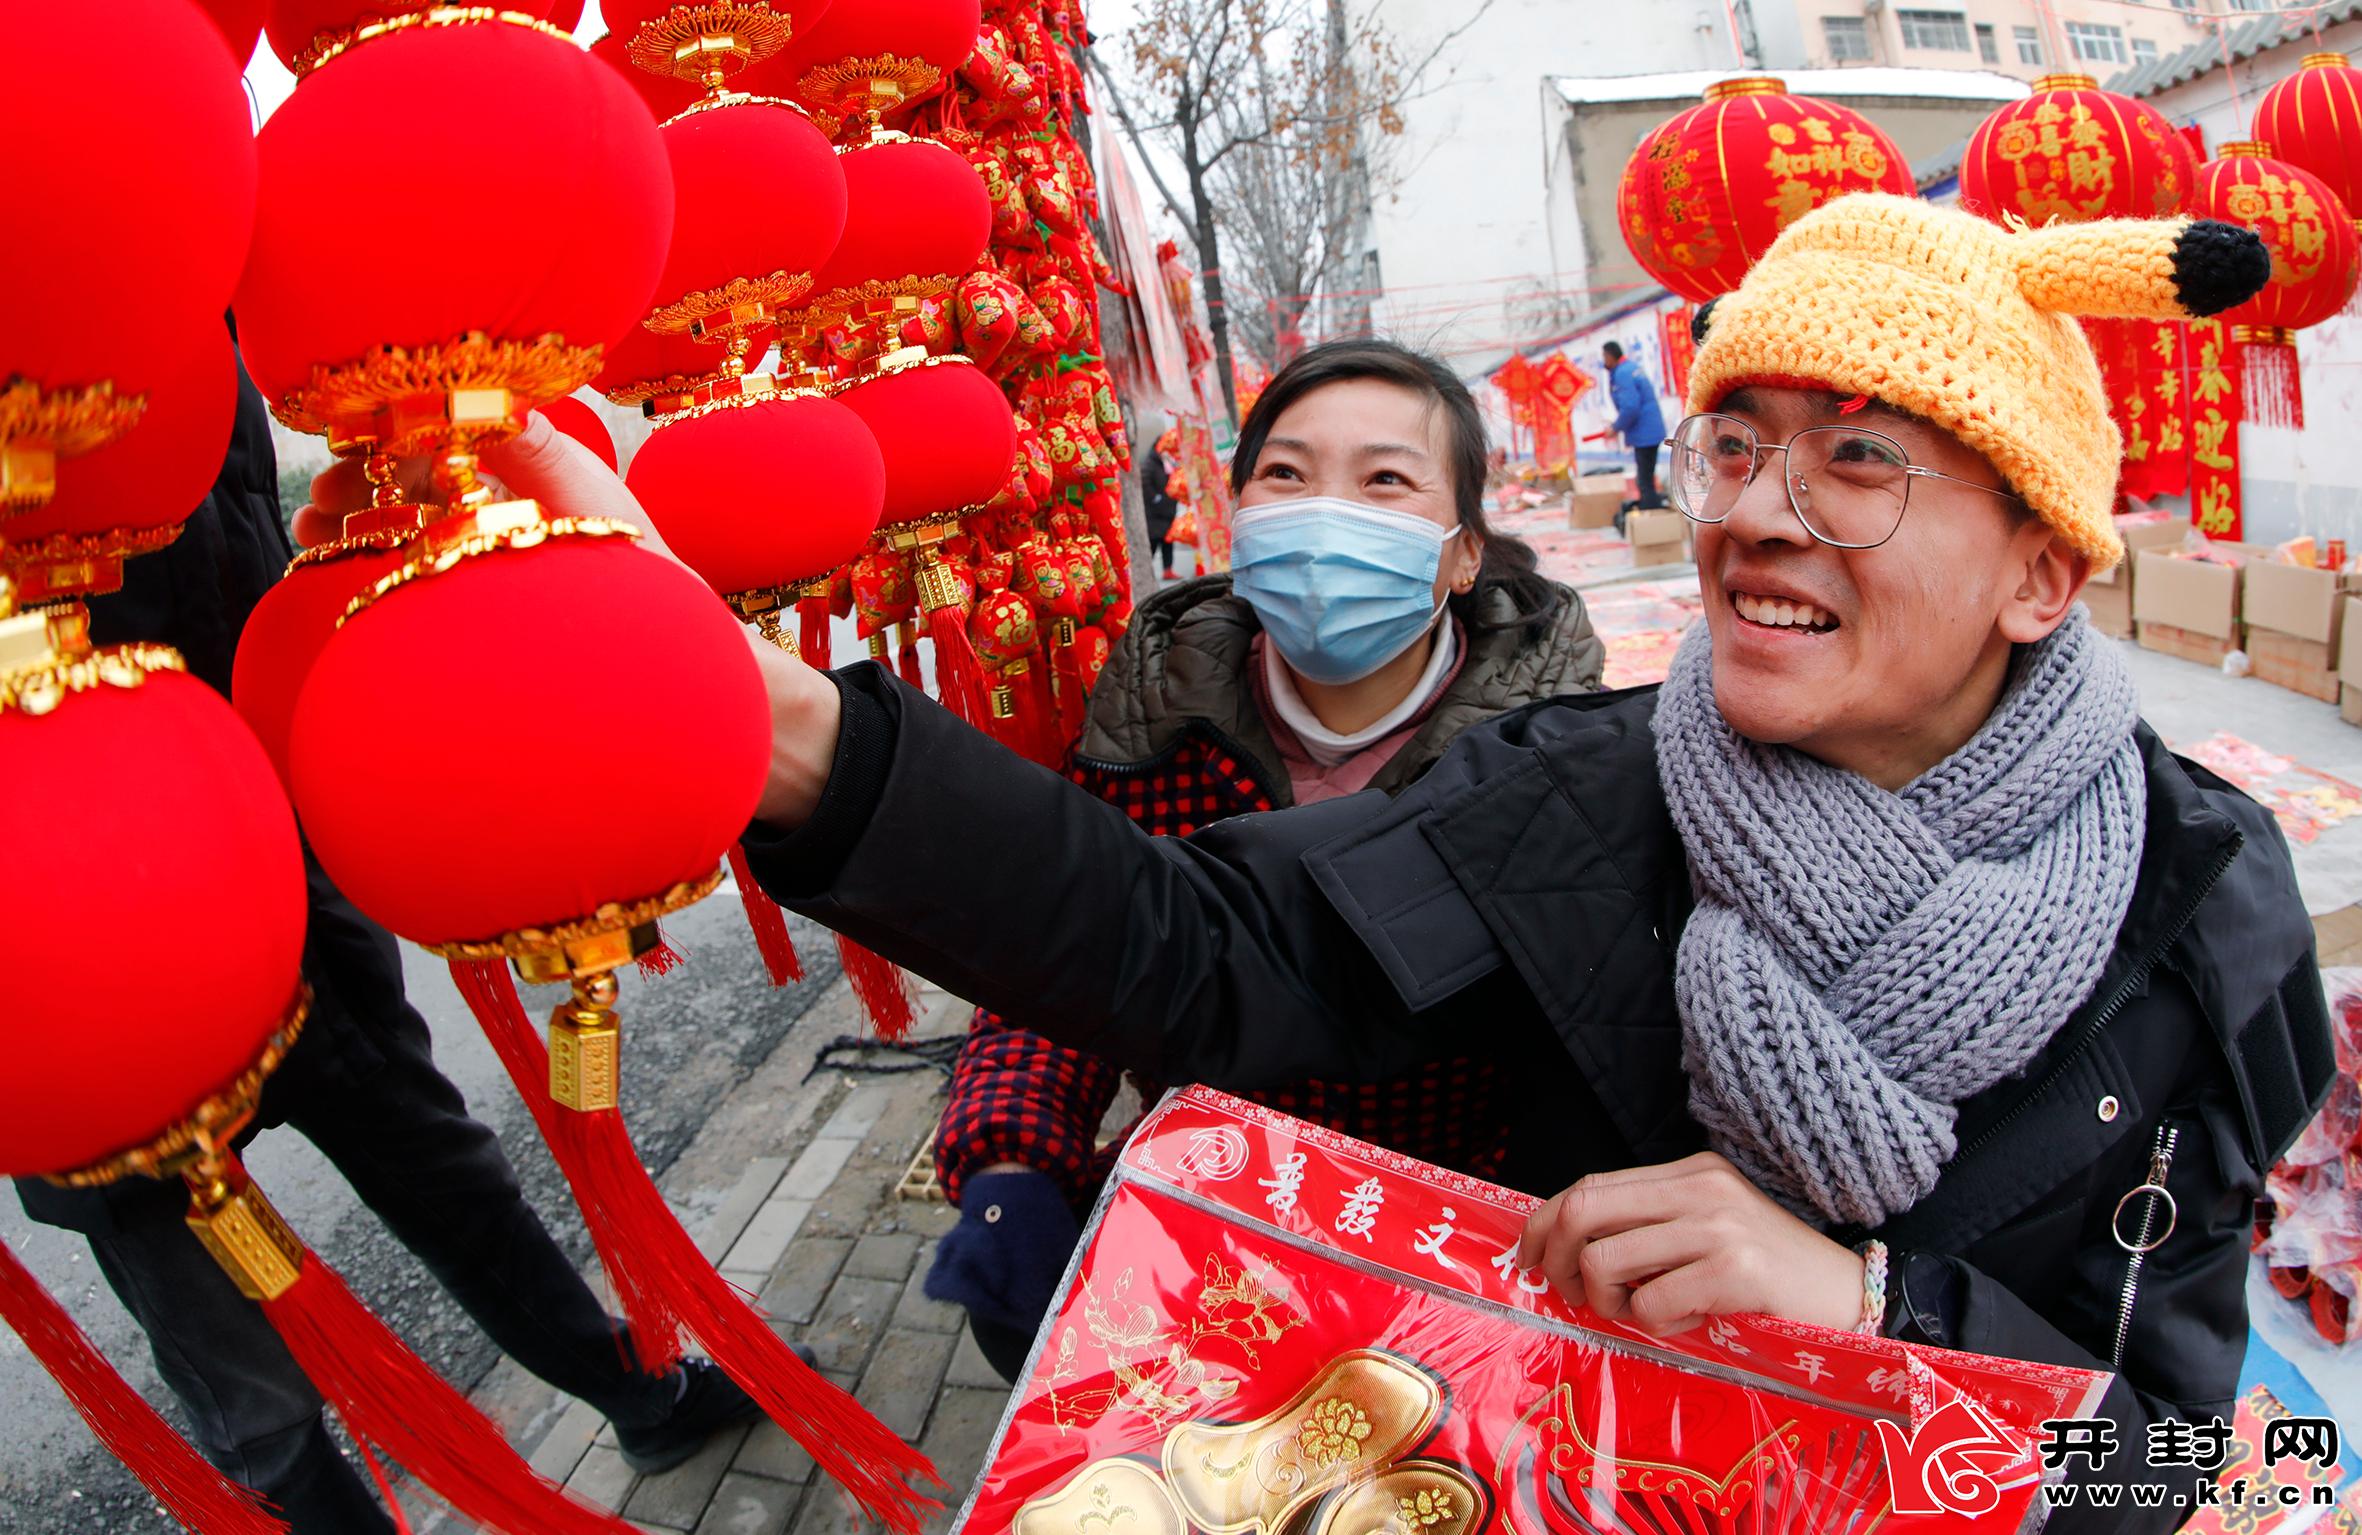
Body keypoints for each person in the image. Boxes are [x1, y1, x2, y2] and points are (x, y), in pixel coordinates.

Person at [698, 199, 2329, 1526]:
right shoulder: (1582, 793)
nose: (1756, 513)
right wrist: (807, 748)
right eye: (1736, 447)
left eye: (1855, 462)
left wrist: (1868, 1315)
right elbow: (1211, 950)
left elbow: (2173, 1462)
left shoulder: (2196, 898)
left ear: (2039, 571)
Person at [15, 345, 765, 1534]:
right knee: (175, 1253)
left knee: (423, 1140)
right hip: (53, 898)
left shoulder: (164, 279)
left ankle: (632, 1385)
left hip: (259, 799)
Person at [922, 340, 1605, 1378]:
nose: (1326, 516)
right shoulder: (1149, 725)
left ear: (1464, 552)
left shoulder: (1557, 758)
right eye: (1286, 474)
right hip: (1204, 1224)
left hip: (1464, 1256)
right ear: (1236, 515)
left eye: (1384, 479)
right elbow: (1063, 956)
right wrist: (1009, 1156)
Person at [1603, 339, 1667, 522]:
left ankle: (1652, 522)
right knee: (1646, 478)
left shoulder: (1622, 373)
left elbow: (1630, 407)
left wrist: (1615, 427)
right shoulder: (1630, 367)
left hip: (1644, 433)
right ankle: (1654, 516)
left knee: (1644, 481)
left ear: (1610, 355)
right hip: (1649, 430)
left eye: (1604, 357)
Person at [1141, 427, 1181, 578]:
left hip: (1167, 510)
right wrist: (1156, 498)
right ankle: (1145, 573)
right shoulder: (1150, 463)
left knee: (1168, 542)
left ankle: (1168, 570)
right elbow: (1145, 483)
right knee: (1153, 544)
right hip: (1155, 512)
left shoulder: (1167, 461)